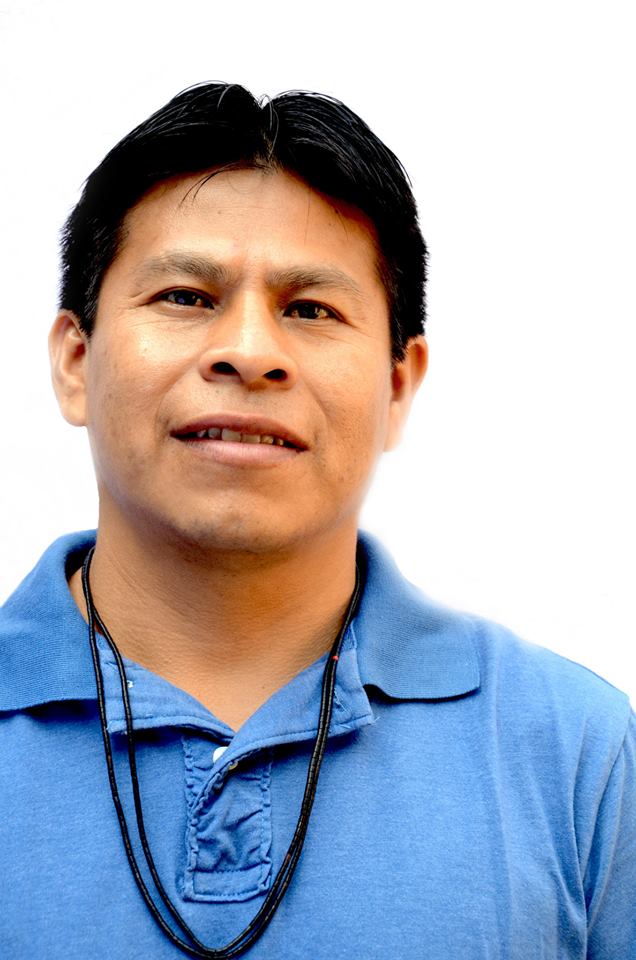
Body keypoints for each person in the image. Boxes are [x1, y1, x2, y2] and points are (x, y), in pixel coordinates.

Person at [0, 83, 634, 960]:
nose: (249, 352)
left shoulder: (578, 755)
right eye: (186, 295)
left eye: (310, 310)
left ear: (398, 385)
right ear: (75, 361)